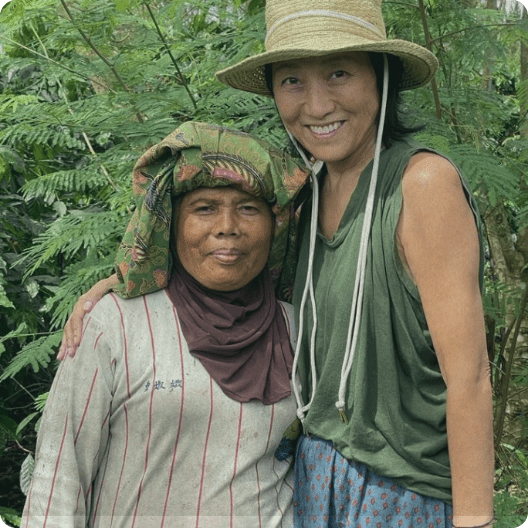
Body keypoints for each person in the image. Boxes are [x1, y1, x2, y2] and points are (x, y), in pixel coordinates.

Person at [57, 1, 496, 527]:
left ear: (382, 76)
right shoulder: (305, 196)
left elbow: (468, 376)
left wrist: (476, 521)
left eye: (339, 73)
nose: (315, 104)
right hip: (312, 478)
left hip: (401, 489)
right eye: (292, 80)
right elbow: (230, 266)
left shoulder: (420, 185)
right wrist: (120, 284)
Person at [22, 121, 311, 528]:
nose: (227, 226)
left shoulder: (300, 329)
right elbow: (60, 476)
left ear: (276, 224)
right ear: (170, 224)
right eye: (204, 208)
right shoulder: (115, 324)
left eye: (248, 208)